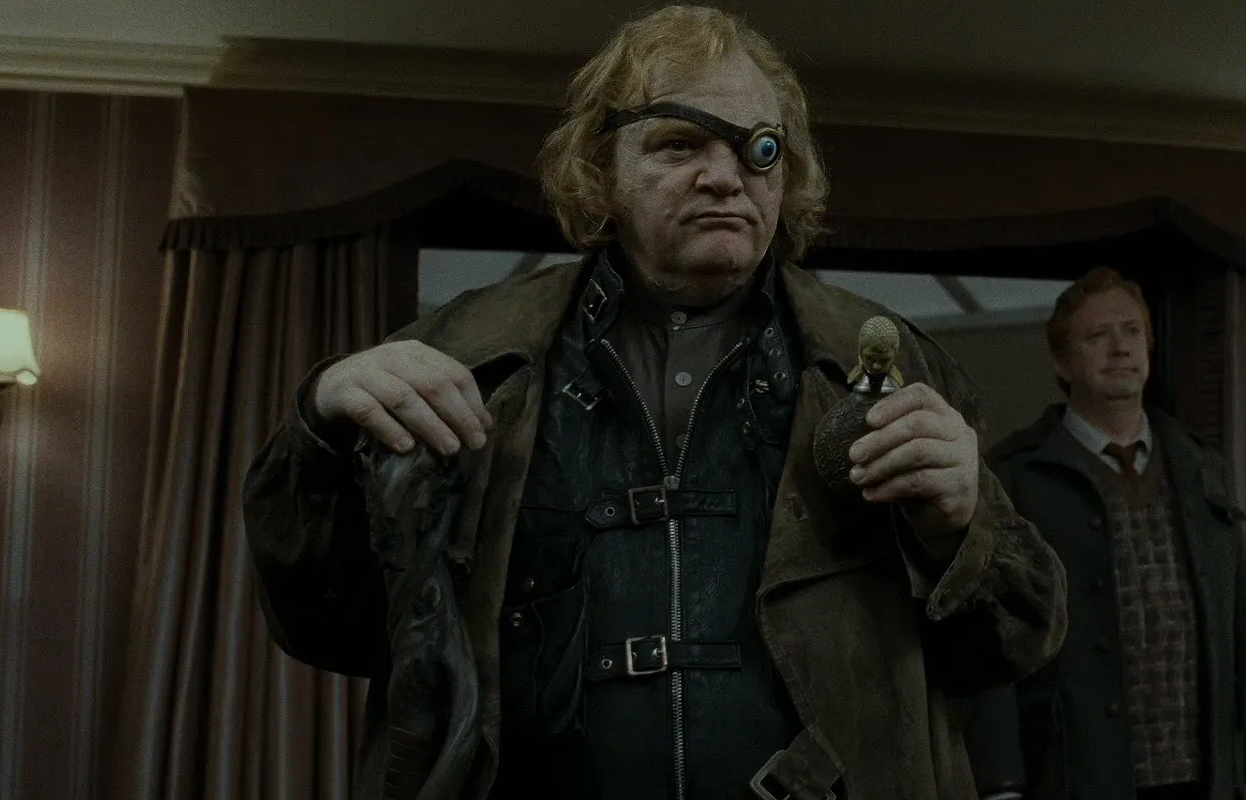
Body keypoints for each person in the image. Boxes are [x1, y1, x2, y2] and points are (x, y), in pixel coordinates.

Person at [241, 5, 1068, 799]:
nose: (726, 177)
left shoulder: (889, 364)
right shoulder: (468, 355)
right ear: (600, 168)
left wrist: (961, 529)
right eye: (680, 143)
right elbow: (328, 626)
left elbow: (1011, 646)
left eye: (760, 149)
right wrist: (317, 431)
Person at [965, 268, 1246, 800]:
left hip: (1207, 774)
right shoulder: (1015, 477)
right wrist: (1001, 785)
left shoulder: (1202, 466)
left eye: (1132, 331)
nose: (1120, 347)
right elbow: (993, 637)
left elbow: (1242, 625)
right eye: (1098, 336)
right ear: (1062, 363)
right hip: (1075, 773)